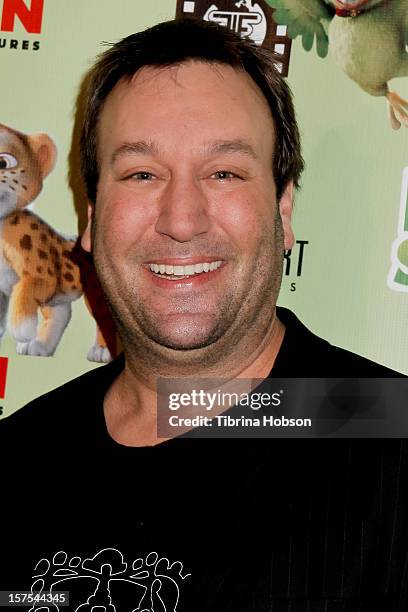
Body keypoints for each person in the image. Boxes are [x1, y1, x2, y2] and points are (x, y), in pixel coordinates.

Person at [0, 17, 407, 612]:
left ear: (283, 209)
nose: (181, 219)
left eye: (224, 173)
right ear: (89, 216)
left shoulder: (390, 439)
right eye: (141, 174)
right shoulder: (18, 460)